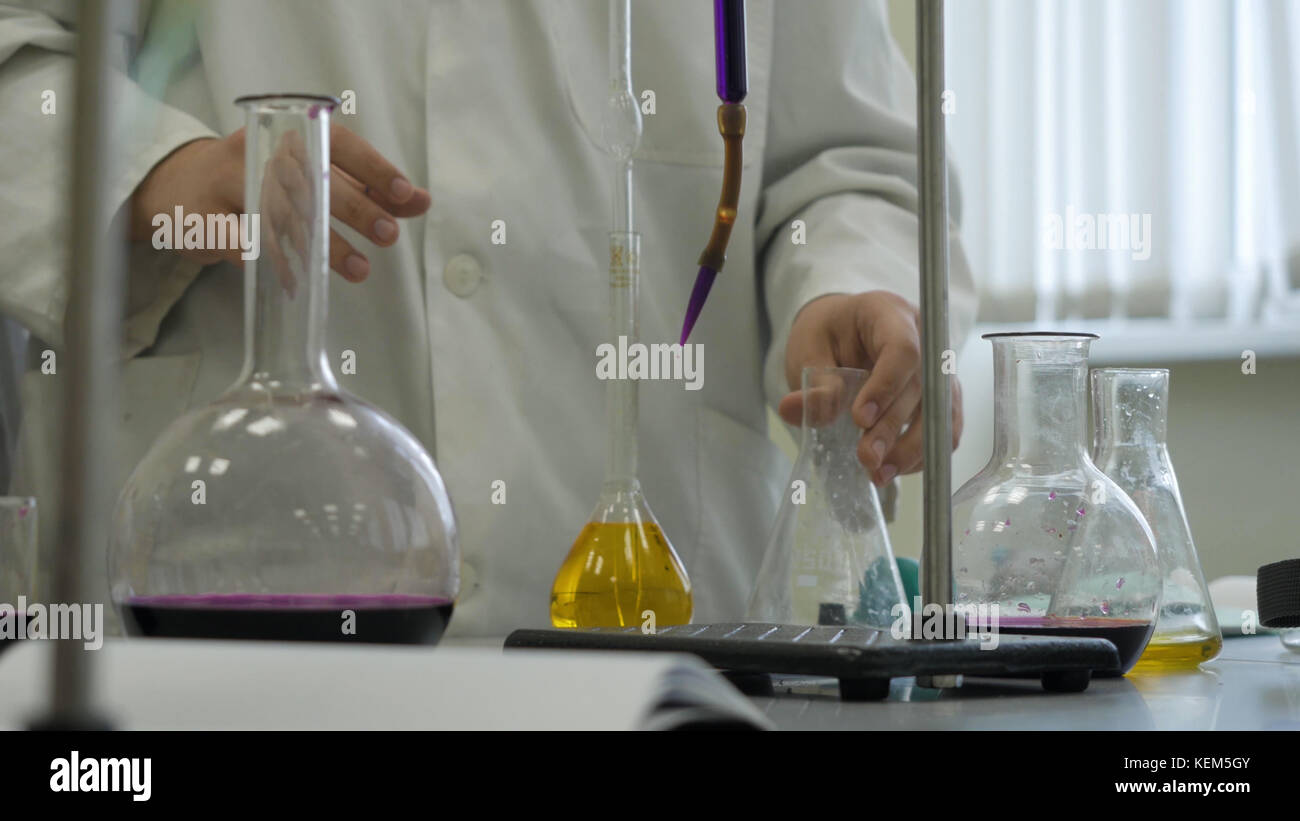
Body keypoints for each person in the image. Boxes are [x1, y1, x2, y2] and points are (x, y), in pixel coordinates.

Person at [0, 0, 977, 636]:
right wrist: (154, 178)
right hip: (227, 577)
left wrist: (846, 288)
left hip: (663, 613)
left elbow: (846, 157)